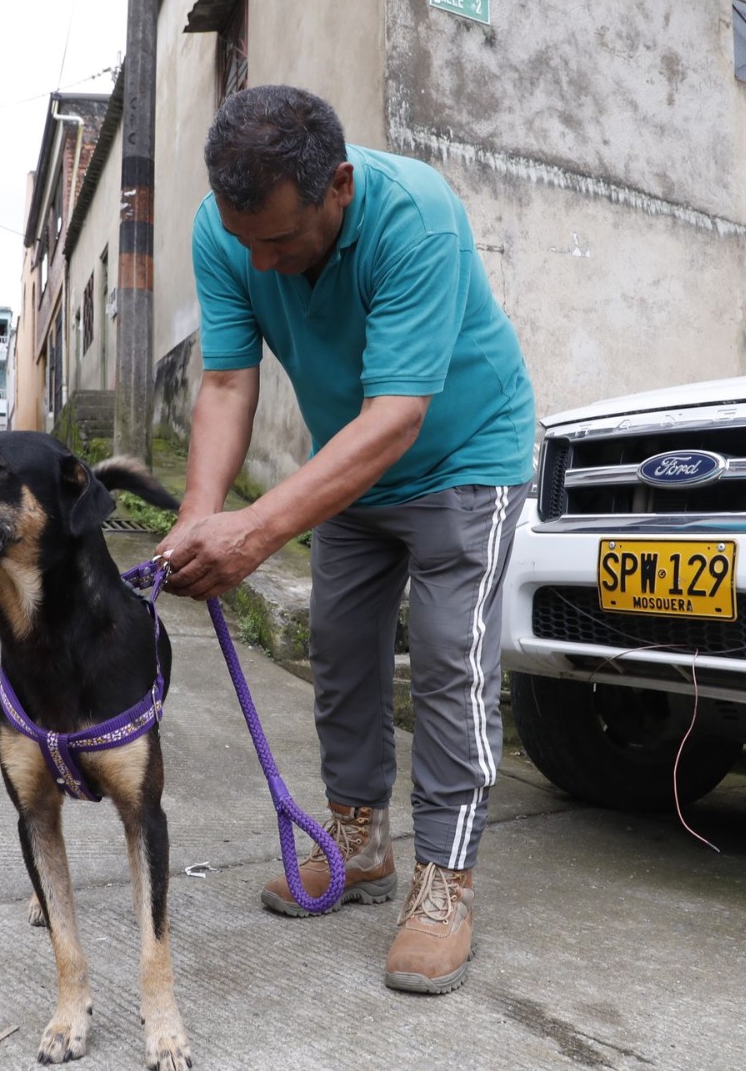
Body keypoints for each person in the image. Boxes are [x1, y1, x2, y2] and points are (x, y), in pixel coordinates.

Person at [156, 85, 537, 995]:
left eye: (281, 242)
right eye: (247, 241)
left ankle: (446, 879)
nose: (264, 262)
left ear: (336, 186)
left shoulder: (417, 218)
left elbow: (400, 414)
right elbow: (224, 381)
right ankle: (359, 843)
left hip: (462, 454)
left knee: (449, 658)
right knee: (339, 649)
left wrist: (256, 527)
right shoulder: (229, 230)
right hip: (350, 461)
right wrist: (200, 516)